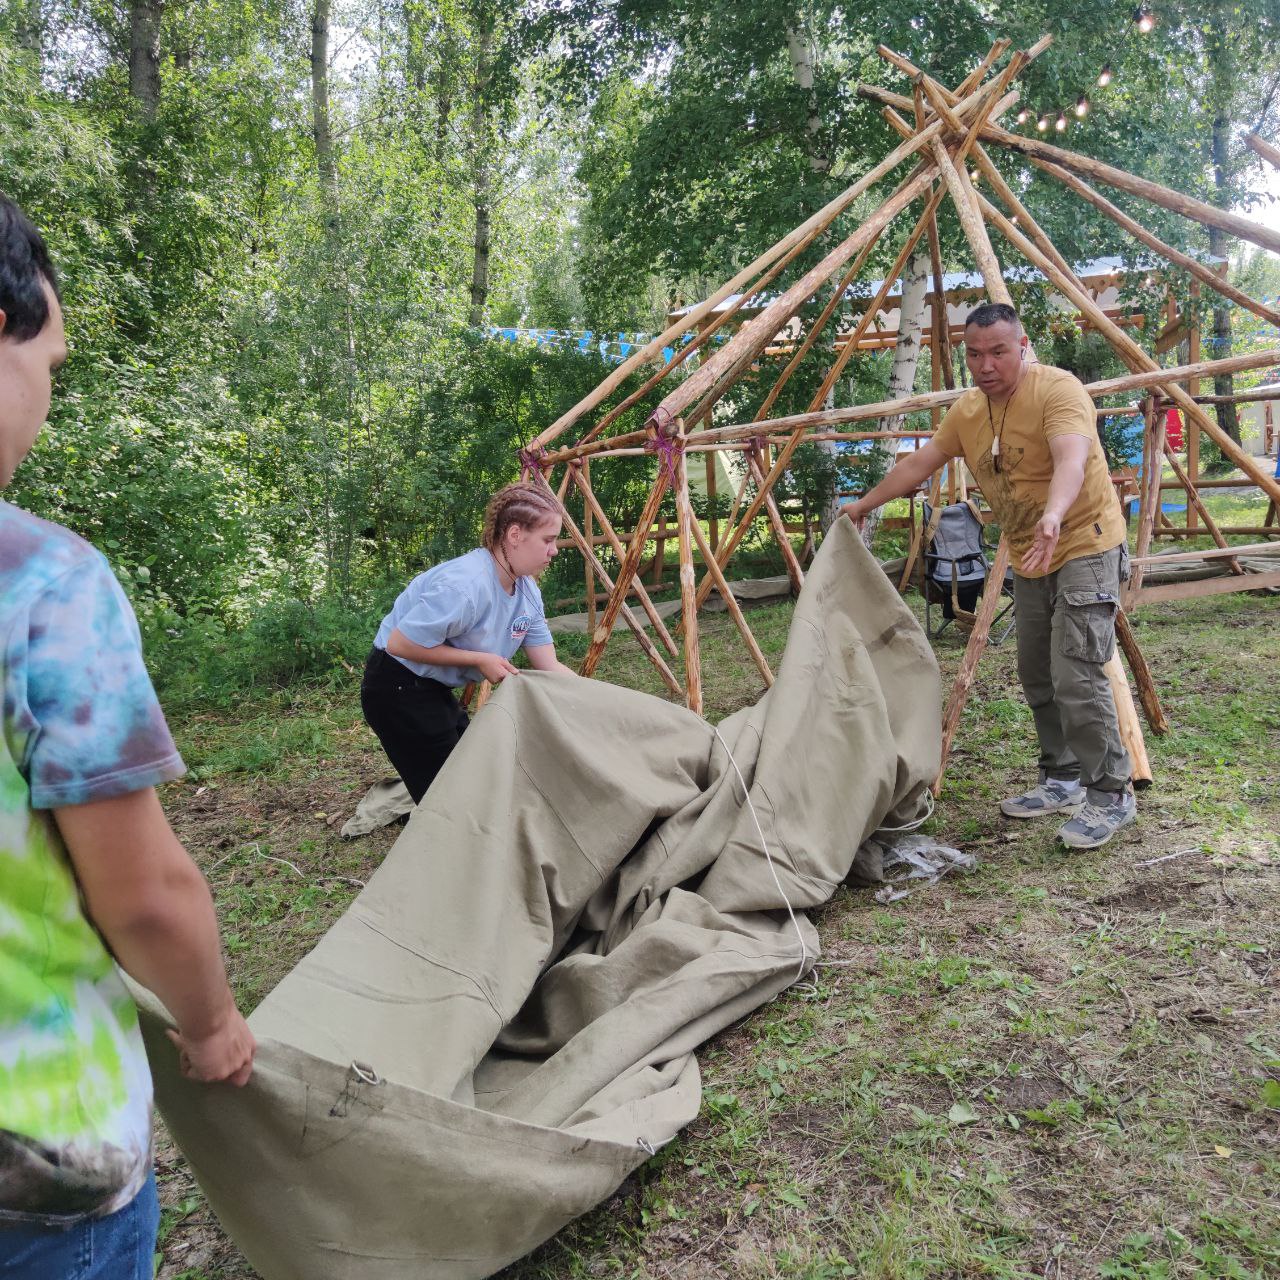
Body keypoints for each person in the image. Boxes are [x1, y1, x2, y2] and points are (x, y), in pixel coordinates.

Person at [0, 196, 254, 1277]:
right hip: (36, 1154)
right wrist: (210, 1020)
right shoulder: (41, 586)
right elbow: (145, 892)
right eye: (48, 364)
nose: (45, 402)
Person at [843, 302, 1135, 850]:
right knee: (1036, 674)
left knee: (1076, 672)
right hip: (1030, 552)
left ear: (1021, 346)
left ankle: (1110, 793)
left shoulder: (1058, 391)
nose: (985, 365)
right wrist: (863, 505)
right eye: (974, 354)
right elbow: (918, 464)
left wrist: (1053, 514)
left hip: (1084, 542)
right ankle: (1062, 779)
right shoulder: (968, 412)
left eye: (998, 351)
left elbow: (1072, 458)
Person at [361, 482, 576, 804]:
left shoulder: (528, 592)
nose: (554, 549)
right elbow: (399, 644)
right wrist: (478, 659)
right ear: (515, 535)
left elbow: (549, 664)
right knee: (448, 795)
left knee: (469, 763)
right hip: (396, 685)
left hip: (432, 686)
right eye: (548, 539)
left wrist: (593, 698)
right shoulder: (465, 585)